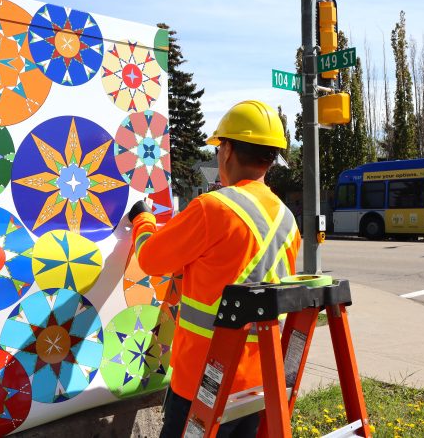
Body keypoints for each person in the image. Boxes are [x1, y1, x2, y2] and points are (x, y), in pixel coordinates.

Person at [127, 100, 302, 438]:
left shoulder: (213, 208)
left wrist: (142, 218)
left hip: (203, 381)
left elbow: (150, 259)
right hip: (257, 382)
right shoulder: (287, 219)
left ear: (228, 151)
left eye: (220, 145)